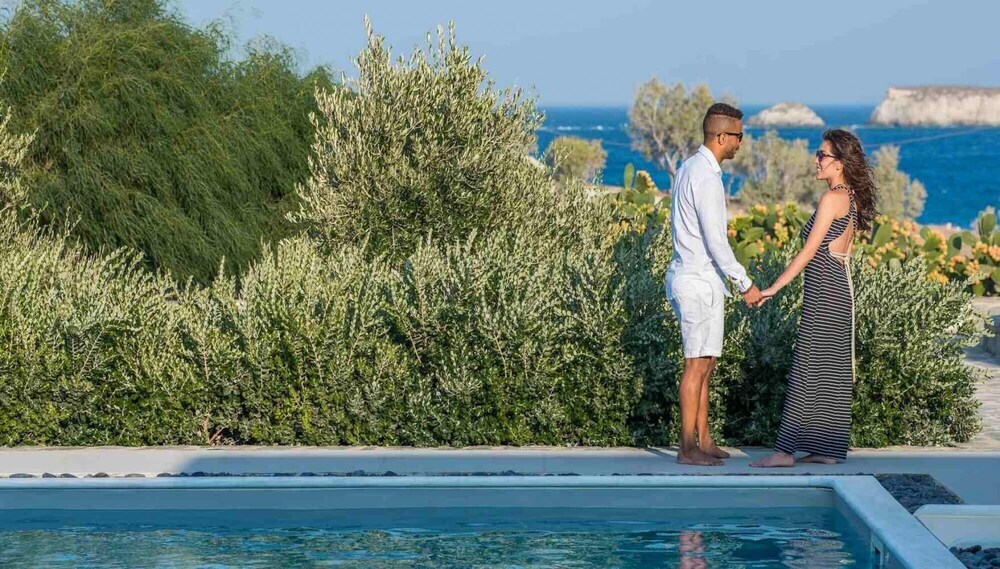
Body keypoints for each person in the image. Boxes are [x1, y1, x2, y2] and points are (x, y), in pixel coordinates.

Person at [750, 129, 878, 468]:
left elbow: (809, 252)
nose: (816, 159)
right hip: (839, 290)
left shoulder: (832, 199)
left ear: (839, 163)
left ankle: (784, 451)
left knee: (806, 366)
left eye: (822, 154)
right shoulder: (850, 197)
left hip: (825, 291)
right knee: (830, 371)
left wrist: (774, 287)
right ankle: (827, 449)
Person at [665, 102, 763, 467]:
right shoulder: (705, 177)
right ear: (722, 137)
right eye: (738, 135)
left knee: (706, 364)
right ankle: (686, 447)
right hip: (696, 281)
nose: (740, 142)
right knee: (695, 365)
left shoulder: (689, 167)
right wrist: (745, 284)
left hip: (698, 280)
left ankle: (704, 440)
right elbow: (716, 242)